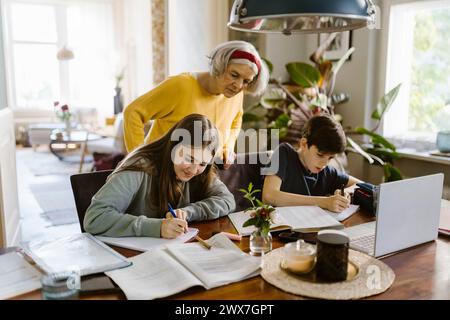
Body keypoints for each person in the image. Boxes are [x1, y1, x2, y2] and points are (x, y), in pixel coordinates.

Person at [84, 114, 236, 238]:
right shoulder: (140, 166)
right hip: (130, 258)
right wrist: (157, 227)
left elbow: (227, 200)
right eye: (189, 159)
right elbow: (95, 218)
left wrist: (189, 212)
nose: (194, 170)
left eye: (203, 163)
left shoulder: (202, 171)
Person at [123, 40, 269, 168]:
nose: (238, 85)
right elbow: (132, 112)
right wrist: (140, 161)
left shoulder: (235, 94)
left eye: (246, 81)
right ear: (220, 65)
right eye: (234, 75)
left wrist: (227, 147)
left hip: (200, 173)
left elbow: (235, 122)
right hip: (162, 171)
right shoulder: (181, 86)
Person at [262, 115, 362, 213]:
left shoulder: (326, 172)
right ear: (304, 144)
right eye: (320, 155)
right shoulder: (283, 153)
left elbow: (362, 185)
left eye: (330, 158)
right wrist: (324, 202)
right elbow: (269, 196)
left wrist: (346, 193)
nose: (324, 163)